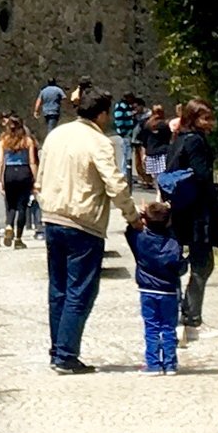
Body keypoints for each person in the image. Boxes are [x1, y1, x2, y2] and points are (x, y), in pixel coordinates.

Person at [40, 88, 134, 372]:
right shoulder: (99, 142)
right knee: (80, 291)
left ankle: (57, 347)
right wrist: (132, 215)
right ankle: (66, 355)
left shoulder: (56, 134)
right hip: (83, 224)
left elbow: (41, 173)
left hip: (52, 218)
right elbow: (115, 184)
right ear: (103, 114)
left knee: (58, 288)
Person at [159, 125, 218, 336]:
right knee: (202, 263)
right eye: (206, 118)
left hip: (179, 209)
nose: (212, 122)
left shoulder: (177, 140)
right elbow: (204, 180)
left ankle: (176, 316)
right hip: (199, 213)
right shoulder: (197, 142)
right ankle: (192, 319)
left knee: (175, 263)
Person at [128, 198, 185, 372]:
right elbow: (180, 267)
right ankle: (170, 364)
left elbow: (130, 229)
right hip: (168, 290)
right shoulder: (174, 243)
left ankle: (153, 364)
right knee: (169, 328)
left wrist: (139, 215)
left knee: (151, 327)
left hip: (147, 289)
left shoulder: (140, 240)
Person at [0, 113, 38, 247]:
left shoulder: (2, 140)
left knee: (10, 204)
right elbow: (32, 162)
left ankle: (9, 226)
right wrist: (36, 179)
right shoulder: (28, 141)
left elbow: (0, 162)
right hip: (24, 172)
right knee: (22, 207)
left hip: (9, 173)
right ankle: (18, 239)